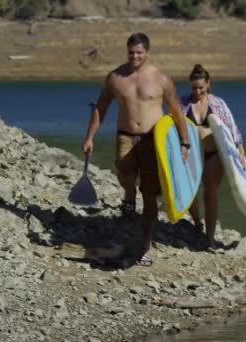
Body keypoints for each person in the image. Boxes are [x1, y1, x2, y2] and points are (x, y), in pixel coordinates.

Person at [81, 33, 190, 266]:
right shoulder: (116, 77)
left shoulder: (161, 78)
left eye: (139, 53)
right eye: (131, 52)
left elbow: (177, 111)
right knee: (123, 171)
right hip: (126, 136)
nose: (135, 57)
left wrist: (184, 142)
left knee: (149, 195)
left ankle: (145, 248)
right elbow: (101, 108)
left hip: (153, 141)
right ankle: (129, 194)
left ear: (147, 52)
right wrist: (89, 137)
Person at [181, 64, 246, 252]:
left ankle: (209, 240)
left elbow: (232, 129)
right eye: (194, 88)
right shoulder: (183, 103)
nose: (197, 91)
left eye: (201, 87)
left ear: (208, 84)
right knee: (189, 193)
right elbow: (171, 128)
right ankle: (195, 221)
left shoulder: (218, 104)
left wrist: (241, 152)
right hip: (191, 155)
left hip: (213, 155)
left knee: (210, 195)